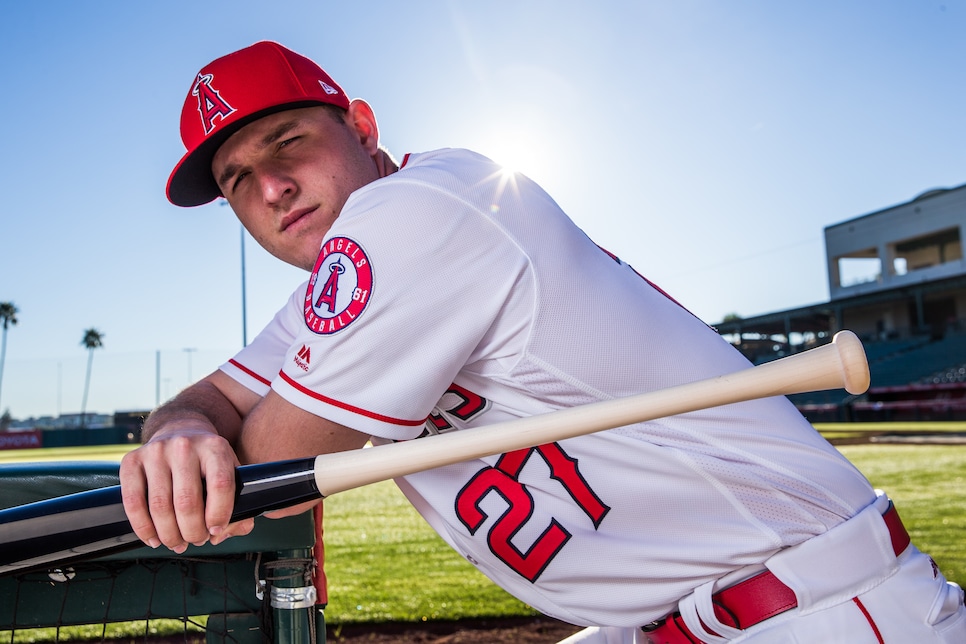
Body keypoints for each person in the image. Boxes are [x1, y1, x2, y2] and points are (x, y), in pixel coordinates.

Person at [119, 41, 965, 643]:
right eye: (236, 181)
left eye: (288, 143)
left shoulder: (418, 208)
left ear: (363, 126)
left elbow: (279, 472)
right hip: (683, 616)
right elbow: (206, 404)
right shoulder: (335, 287)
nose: (270, 188)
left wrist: (232, 437)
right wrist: (183, 432)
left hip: (814, 610)